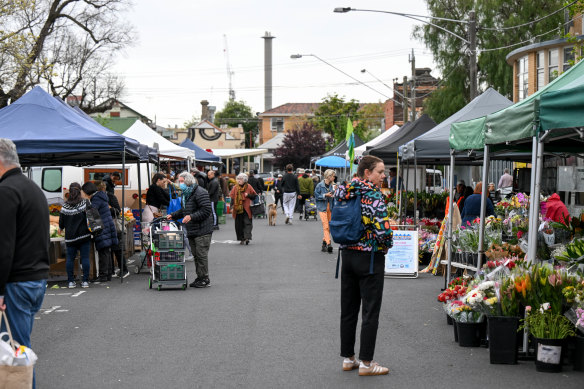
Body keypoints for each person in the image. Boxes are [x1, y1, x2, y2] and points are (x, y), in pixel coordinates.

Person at [335, 155, 393, 376]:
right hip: (369, 257)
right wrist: (387, 245)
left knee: (348, 310)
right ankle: (367, 363)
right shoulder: (372, 194)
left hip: (347, 254)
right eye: (380, 171)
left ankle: (349, 359)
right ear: (367, 173)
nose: (383, 176)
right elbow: (382, 229)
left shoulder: (344, 190)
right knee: (370, 311)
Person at [0, 139, 49, 380]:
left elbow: (3, 245)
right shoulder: (32, 189)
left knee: (15, 355)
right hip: (35, 278)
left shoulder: (6, 191)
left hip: (16, 283)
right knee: (19, 349)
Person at [168, 172, 214, 288]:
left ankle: (205, 278)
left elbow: (206, 210)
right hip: (193, 229)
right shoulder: (186, 194)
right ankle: (200, 277)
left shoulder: (200, 192)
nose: (180, 183)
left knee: (201, 254)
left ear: (188, 181)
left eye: (182, 181)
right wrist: (173, 215)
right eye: (179, 181)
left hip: (202, 229)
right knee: (196, 255)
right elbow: (185, 211)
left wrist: (191, 217)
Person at [81, 182, 119, 282]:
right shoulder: (101, 196)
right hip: (107, 226)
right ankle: (108, 274)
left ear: (87, 192)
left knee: (103, 251)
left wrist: (85, 205)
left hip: (103, 227)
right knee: (106, 251)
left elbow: (91, 211)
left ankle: (103, 276)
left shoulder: (96, 199)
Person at [59, 182, 92, 288]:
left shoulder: (65, 206)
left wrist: (61, 227)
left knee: (70, 259)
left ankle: (71, 282)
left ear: (69, 191)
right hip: (84, 235)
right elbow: (92, 217)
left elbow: (61, 224)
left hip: (70, 237)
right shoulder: (85, 203)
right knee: (85, 258)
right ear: (80, 191)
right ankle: (85, 281)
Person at [229, 173, 258, 245]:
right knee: (239, 225)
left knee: (247, 223)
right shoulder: (235, 187)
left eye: (240, 179)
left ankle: (247, 237)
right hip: (238, 208)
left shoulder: (249, 186)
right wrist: (231, 207)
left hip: (247, 208)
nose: (239, 180)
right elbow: (232, 198)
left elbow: (254, 196)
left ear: (245, 180)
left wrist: (248, 195)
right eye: (238, 179)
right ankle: (241, 238)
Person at [314, 169, 336, 253]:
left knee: (329, 227)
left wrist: (335, 193)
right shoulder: (320, 185)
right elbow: (316, 196)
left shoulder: (333, 185)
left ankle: (324, 243)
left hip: (330, 207)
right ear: (329, 176)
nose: (334, 177)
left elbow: (335, 196)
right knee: (325, 226)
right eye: (333, 176)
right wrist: (325, 195)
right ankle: (328, 243)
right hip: (322, 207)